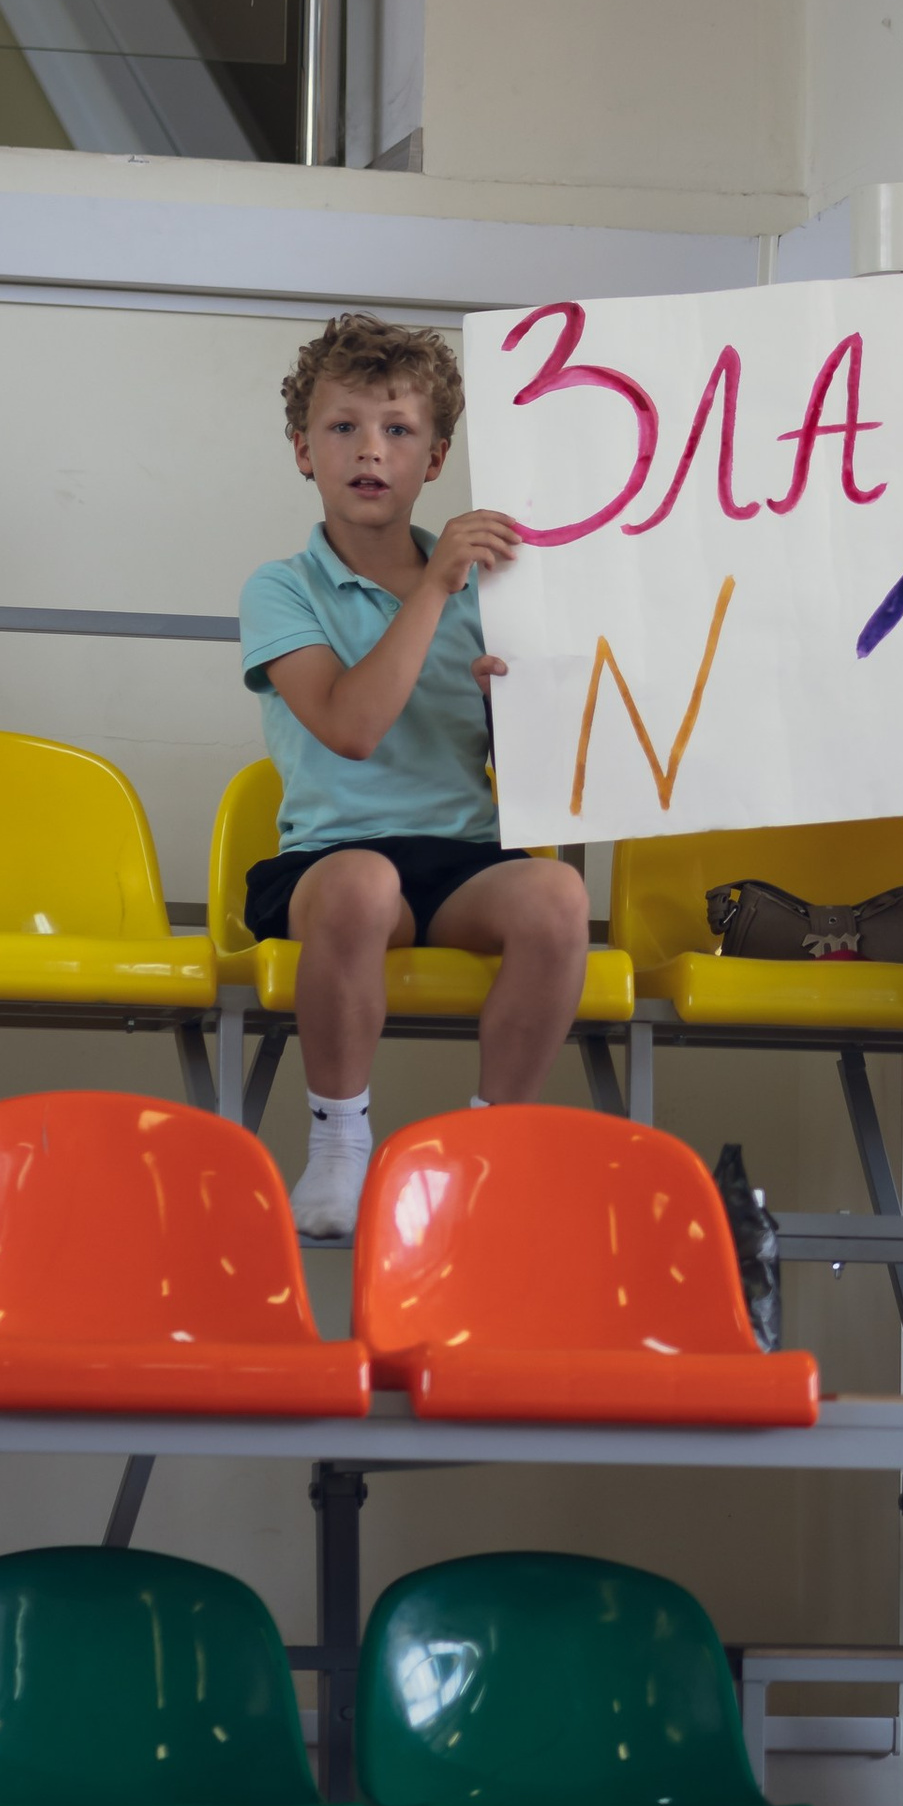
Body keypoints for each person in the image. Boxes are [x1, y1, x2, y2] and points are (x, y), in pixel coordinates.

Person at [238, 312, 590, 1241]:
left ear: (434, 460)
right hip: (332, 861)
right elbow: (351, 728)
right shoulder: (282, 587)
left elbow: (544, 776)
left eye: (398, 431)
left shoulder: (494, 587)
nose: (370, 451)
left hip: (462, 861)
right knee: (363, 881)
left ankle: (489, 1148)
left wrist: (515, 715)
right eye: (343, 427)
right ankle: (340, 1146)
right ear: (302, 450)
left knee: (556, 895)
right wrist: (433, 587)